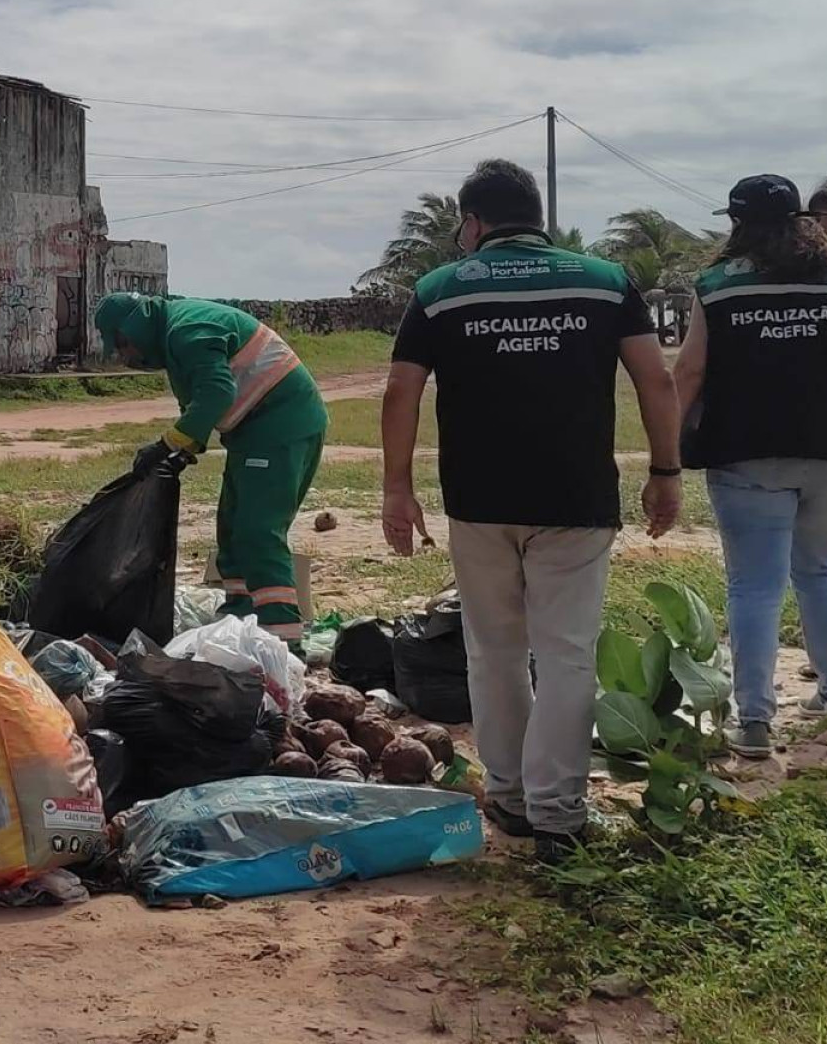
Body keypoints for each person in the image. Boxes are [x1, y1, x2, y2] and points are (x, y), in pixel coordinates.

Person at [379, 159, 681, 862]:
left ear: (475, 221)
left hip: (479, 501)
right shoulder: (605, 281)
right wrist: (665, 471)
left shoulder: (439, 289)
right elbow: (654, 379)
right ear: (535, 215)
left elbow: (401, 389)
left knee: (494, 653)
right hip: (575, 499)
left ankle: (510, 797)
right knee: (568, 655)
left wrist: (398, 487)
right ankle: (558, 813)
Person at [671, 175, 827, 758]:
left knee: (755, 587)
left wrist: (669, 446)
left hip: (745, 455)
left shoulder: (717, 286)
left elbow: (690, 371)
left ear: (737, 224)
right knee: (820, 572)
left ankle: (754, 722)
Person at [94, 291, 328, 640]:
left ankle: (281, 635)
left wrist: (167, 445)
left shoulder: (188, 331)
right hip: (254, 433)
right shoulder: (175, 337)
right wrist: (181, 449)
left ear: (132, 328)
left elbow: (216, 394)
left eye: (123, 346)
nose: (125, 357)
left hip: (281, 427)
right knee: (231, 528)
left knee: (256, 531)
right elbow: (197, 403)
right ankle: (239, 617)